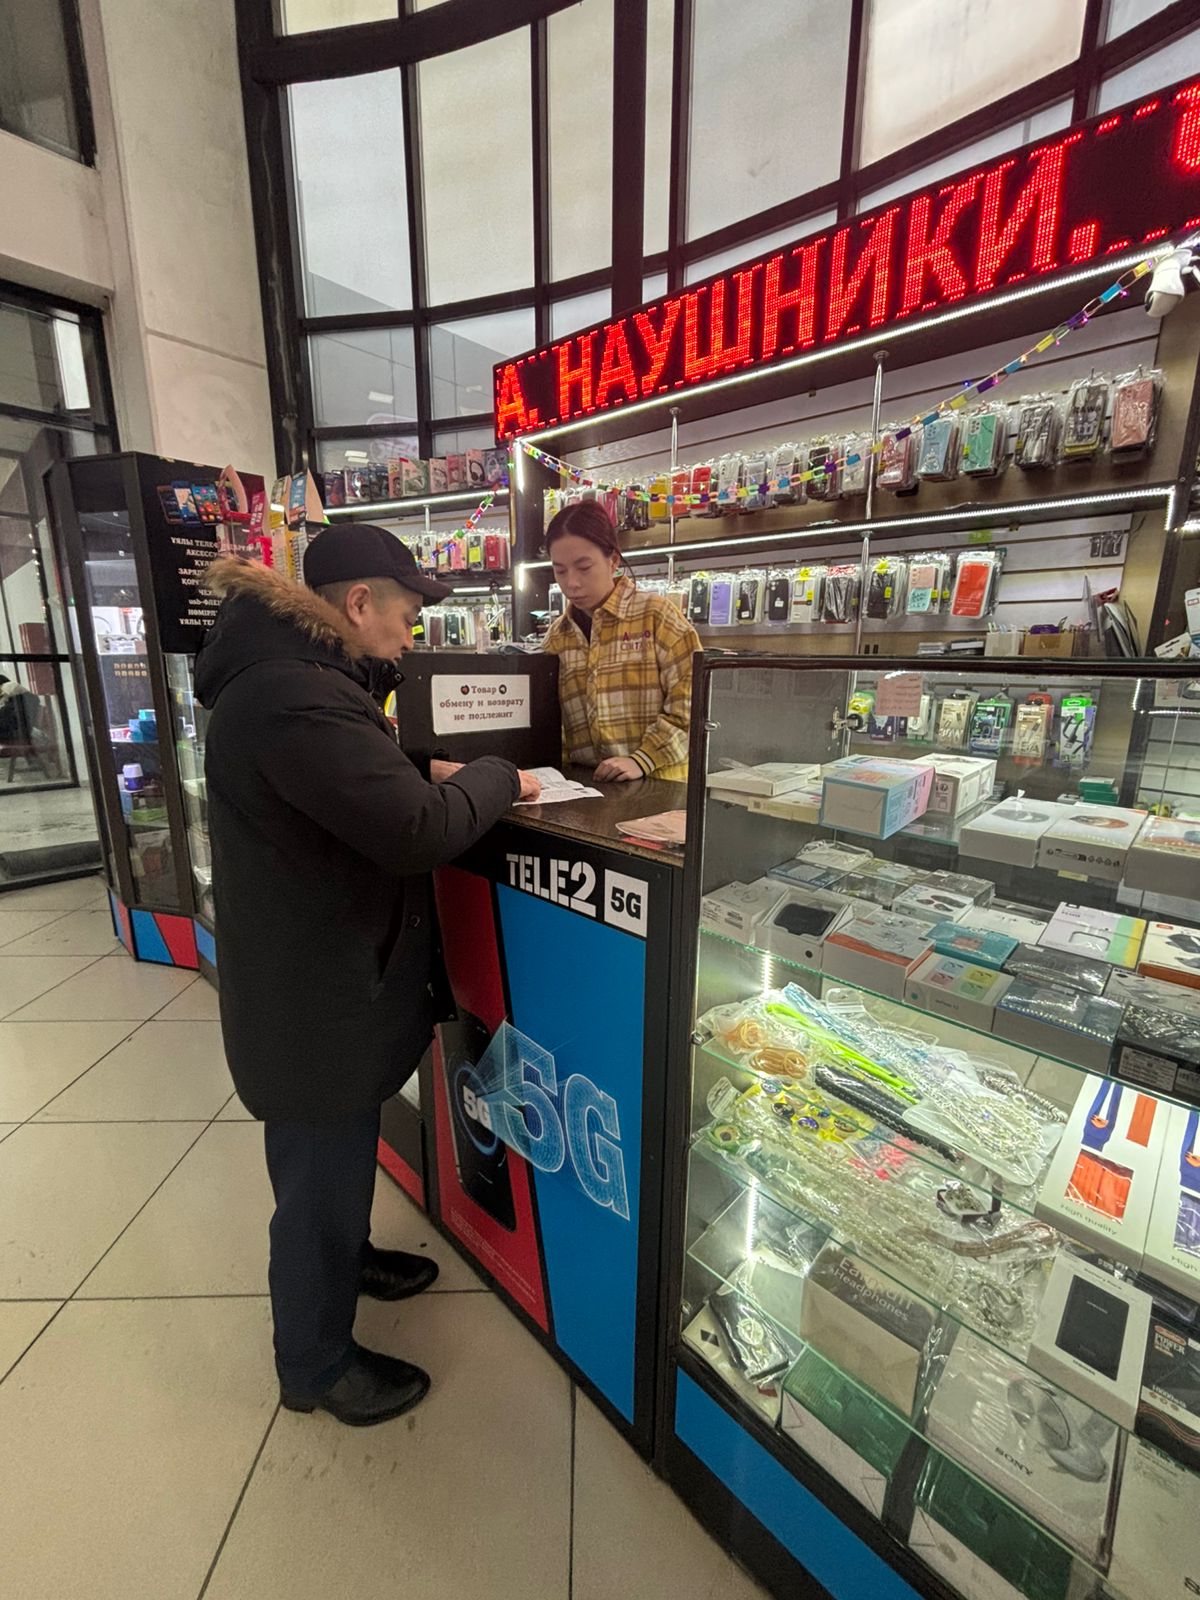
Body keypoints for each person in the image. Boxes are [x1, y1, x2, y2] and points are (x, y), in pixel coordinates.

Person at [195, 524, 540, 1428]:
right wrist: (498, 775)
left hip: (315, 980)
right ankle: (314, 1366)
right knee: (316, 1183)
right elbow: (416, 831)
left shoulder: (295, 679)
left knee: (337, 1162)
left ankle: (348, 1262)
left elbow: (335, 782)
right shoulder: (293, 694)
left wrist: (416, 767)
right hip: (310, 1001)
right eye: (408, 612)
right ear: (358, 604)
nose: (411, 632)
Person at [542, 500, 700, 782]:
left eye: (584, 567)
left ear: (613, 560)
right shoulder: (557, 638)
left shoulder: (656, 616)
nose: (572, 583)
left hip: (660, 784)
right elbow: (553, 726)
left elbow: (693, 703)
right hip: (586, 788)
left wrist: (643, 759)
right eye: (560, 570)